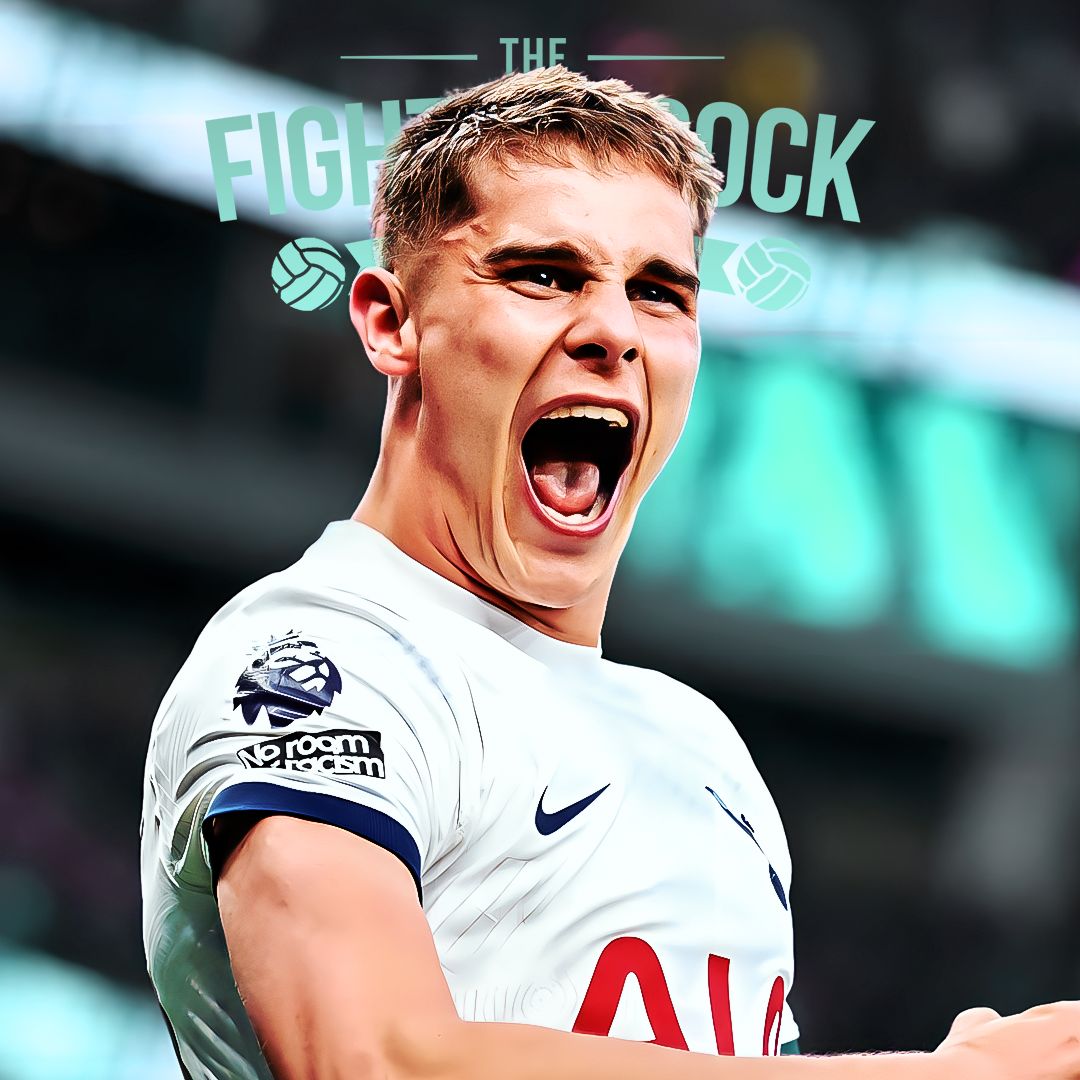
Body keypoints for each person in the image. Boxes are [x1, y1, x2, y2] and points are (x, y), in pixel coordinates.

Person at [140, 65, 1080, 1080]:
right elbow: (371, 1061)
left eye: (659, 292)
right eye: (544, 275)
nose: (614, 332)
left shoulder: (703, 748)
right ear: (391, 321)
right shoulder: (317, 661)